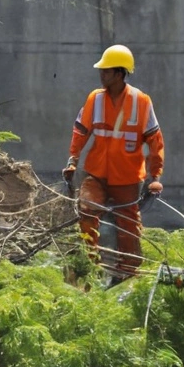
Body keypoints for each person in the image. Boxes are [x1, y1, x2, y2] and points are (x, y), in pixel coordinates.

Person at [63, 44, 165, 285]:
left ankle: (128, 274)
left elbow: (155, 141)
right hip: (97, 172)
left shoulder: (141, 102)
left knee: (128, 225)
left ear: (120, 73)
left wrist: (155, 178)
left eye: (106, 71)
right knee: (87, 209)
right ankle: (88, 266)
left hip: (128, 177)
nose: (101, 74)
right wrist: (72, 161)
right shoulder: (94, 99)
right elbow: (80, 132)